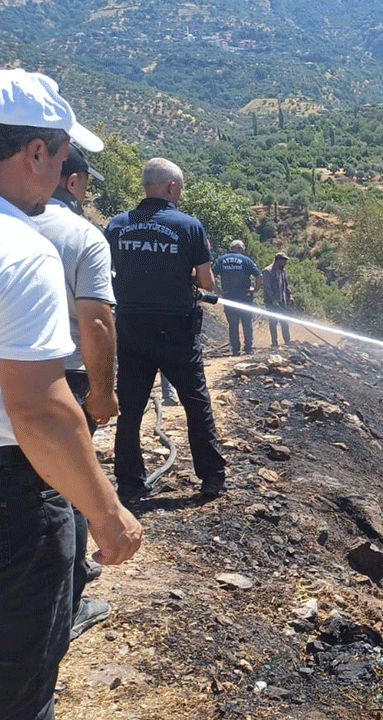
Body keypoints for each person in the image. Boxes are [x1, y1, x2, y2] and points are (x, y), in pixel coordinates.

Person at [0, 67, 142, 720]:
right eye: (61, 156)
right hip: (13, 495)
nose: (64, 174)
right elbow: (37, 410)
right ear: (35, 152)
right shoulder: (21, 251)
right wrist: (105, 514)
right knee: (20, 686)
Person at [29, 143, 116, 641]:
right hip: (66, 372)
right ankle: (71, 599)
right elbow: (97, 323)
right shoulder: (81, 235)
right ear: (72, 179)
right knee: (68, 481)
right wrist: (103, 391)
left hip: (14, 370)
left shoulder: (12, 224)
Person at [106, 157, 227, 498]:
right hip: (176, 330)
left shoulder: (117, 225)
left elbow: (105, 272)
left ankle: (129, 483)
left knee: (130, 409)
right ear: (172, 187)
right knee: (196, 403)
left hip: (132, 327)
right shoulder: (189, 226)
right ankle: (212, 477)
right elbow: (207, 282)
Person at [212, 239, 261, 355]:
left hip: (229, 297)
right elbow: (259, 275)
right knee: (247, 324)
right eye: (243, 248)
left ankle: (235, 350)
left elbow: (211, 275)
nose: (244, 250)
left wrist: (218, 291)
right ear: (239, 248)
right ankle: (248, 348)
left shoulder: (221, 260)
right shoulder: (246, 260)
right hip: (245, 297)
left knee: (233, 325)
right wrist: (256, 289)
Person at [260, 251, 293, 347]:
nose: (285, 263)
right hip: (271, 303)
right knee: (273, 322)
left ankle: (287, 342)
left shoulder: (282, 271)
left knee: (284, 322)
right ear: (278, 260)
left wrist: (290, 295)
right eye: (284, 261)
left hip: (282, 301)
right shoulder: (267, 271)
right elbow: (267, 287)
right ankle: (274, 343)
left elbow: (286, 284)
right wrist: (273, 299)